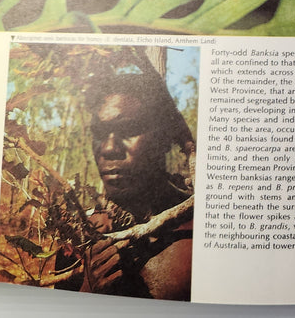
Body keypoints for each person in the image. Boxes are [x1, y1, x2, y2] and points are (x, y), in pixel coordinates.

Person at [59, 69, 194, 300]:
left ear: (164, 139)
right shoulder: (76, 237)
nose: (109, 148)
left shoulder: (199, 233)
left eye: (129, 130)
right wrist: (88, 293)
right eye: (100, 133)